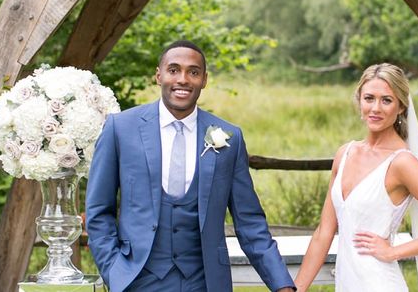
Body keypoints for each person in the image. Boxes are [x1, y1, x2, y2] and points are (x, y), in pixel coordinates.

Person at [85, 40, 295, 292]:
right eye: (173, 70)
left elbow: (250, 222)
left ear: (204, 80)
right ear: (158, 75)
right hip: (137, 279)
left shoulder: (229, 137)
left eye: (193, 72)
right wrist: (114, 270)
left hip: (204, 282)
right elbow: (99, 210)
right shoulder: (120, 128)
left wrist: (283, 286)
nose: (183, 79)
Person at [294, 63, 418, 292]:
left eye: (386, 100)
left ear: (401, 107)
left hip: (380, 283)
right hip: (346, 283)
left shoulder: (402, 163)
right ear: (359, 100)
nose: (376, 108)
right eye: (369, 98)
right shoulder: (344, 154)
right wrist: (298, 288)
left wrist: (394, 252)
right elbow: (324, 232)